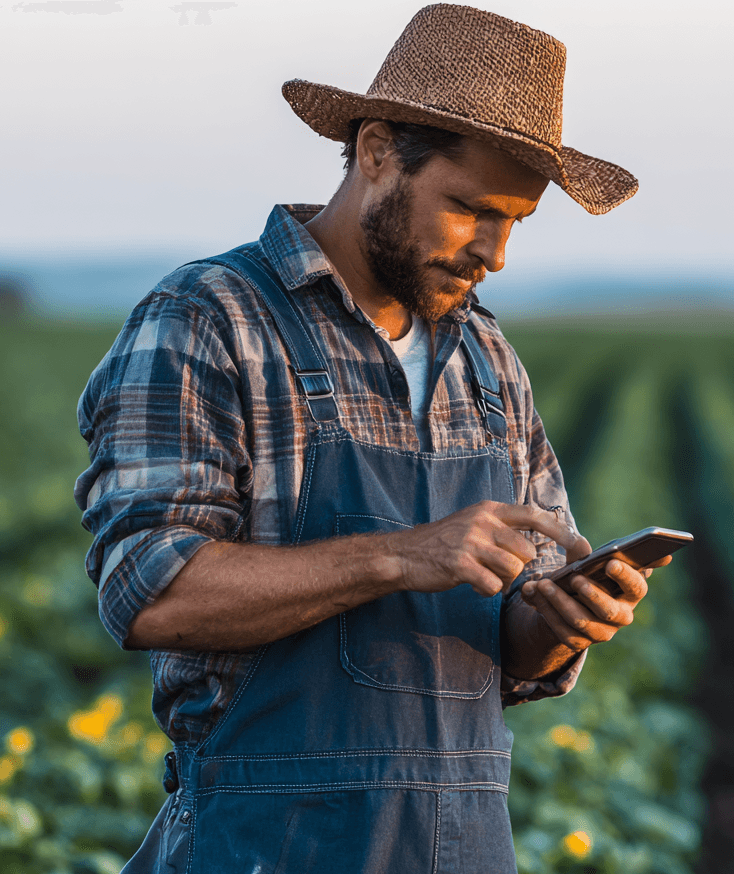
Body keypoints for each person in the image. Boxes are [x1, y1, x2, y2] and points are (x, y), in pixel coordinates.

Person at [74, 5, 670, 872]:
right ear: (378, 150)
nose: (495, 254)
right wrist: (399, 555)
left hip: (465, 843)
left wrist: (561, 620)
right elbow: (150, 592)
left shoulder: (488, 358)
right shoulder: (207, 318)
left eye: (515, 222)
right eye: (470, 209)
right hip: (266, 843)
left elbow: (510, 649)